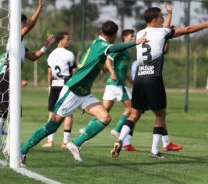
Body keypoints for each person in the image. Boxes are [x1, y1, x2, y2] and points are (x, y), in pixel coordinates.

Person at [20, 20, 147, 165]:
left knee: (105, 118)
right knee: (51, 127)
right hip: (73, 91)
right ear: (114, 35)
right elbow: (113, 49)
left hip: (84, 93)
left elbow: (97, 59)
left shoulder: (97, 43)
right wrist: (136, 42)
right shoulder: (103, 45)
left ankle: (75, 144)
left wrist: (99, 68)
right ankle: (22, 151)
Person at [111, 6, 208, 159]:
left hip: (139, 79)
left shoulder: (141, 33)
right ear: (154, 20)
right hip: (153, 79)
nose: (162, 20)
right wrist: (207, 25)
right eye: (161, 17)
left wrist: (169, 15)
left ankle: (120, 140)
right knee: (160, 115)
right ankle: (155, 150)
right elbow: (186, 30)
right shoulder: (162, 32)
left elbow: (163, 32)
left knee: (134, 114)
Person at [0, 0, 55, 154]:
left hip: (7, 77)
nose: (26, 26)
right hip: (8, 77)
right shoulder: (15, 36)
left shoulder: (19, 43)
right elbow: (31, 25)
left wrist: (45, 47)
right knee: (11, 112)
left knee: (5, 112)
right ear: (19, 24)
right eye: (24, 23)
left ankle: (0, 146)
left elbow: (33, 57)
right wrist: (40, 8)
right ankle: (4, 147)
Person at [41, 32, 77, 148]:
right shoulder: (69, 54)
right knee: (68, 112)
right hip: (66, 84)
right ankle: (66, 141)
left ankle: (50, 140)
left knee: (52, 112)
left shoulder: (51, 54)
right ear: (61, 40)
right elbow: (74, 71)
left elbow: (49, 72)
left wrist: (49, 86)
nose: (69, 40)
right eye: (67, 39)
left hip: (54, 84)